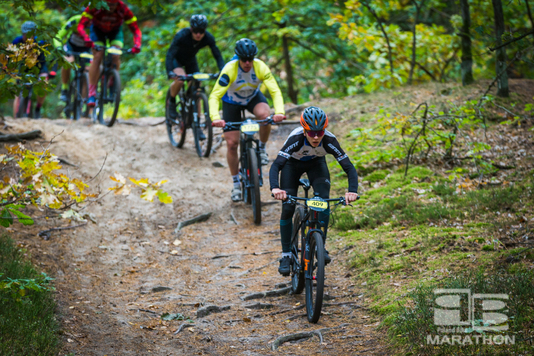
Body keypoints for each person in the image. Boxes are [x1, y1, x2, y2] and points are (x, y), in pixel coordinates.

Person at [270, 106, 359, 276]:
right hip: (292, 166)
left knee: (323, 202)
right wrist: (275, 188)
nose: (316, 137)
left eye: (320, 132)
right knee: (288, 207)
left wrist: (352, 191)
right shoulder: (295, 139)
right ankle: (286, 254)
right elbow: (276, 166)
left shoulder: (329, 141)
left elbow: (349, 168)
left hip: (316, 164)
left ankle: (320, 245)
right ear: (304, 131)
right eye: (311, 133)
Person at [210, 38, 285, 201]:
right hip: (231, 102)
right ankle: (236, 184)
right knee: (232, 144)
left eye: (250, 59)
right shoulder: (229, 69)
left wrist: (279, 112)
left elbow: (275, 91)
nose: (247, 63)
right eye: (243, 59)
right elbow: (215, 96)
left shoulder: (260, 67)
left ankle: (262, 149)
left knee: (265, 116)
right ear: (238, 58)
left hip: (252, 98)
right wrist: (216, 118)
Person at [77, 0, 142, 107]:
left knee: (116, 54)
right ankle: (92, 93)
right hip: (97, 32)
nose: (111, 7)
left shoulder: (123, 9)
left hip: (115, 32)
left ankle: (112, 80)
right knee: (98, 56)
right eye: (109, 4)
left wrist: (137, 45)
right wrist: (86, 39)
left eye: (114, 4)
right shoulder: (94, 6)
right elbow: (81, 26)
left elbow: (136, 30)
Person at [165, 14, 225, 121]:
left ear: (205, 31)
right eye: (195, 31)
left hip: (190, 60)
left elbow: (217, 55)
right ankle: (172, 102)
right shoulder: (182, 35)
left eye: (201, 31)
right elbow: (170, 54)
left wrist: (223, 70)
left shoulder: (208, 38)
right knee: (180, 80)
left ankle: (196, 122)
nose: (198, 34)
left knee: (197, 88)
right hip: (177, 60)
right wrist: (169, 71)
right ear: (191, 29)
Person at [12, 21, 49, 119]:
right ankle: (16, 118)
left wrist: (49, 72)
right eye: (25, 34)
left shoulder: (40, 43)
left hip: (40, 67)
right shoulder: (17, 42)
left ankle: (38, 108)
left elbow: (46, 60)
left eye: (30, 35)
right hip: (24, 68)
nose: (27, 37)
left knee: (43, 83)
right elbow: (8, 56)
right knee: (18, 91)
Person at [53, 13, 91, 102]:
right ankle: (64, 88)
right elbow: (58, 36)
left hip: (87, 49)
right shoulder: (75, 20)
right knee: (68, 61)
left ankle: (83, 100)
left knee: (88, 71)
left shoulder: (97, 23)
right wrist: (59, 48)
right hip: (71, 47)